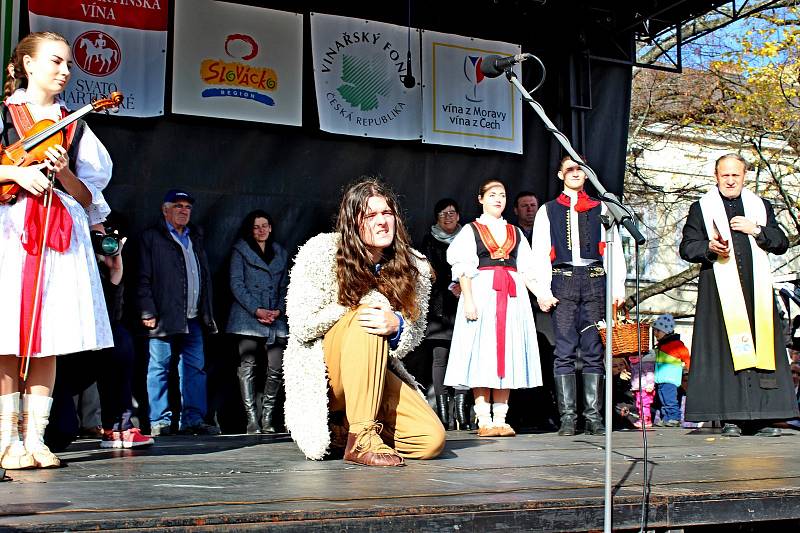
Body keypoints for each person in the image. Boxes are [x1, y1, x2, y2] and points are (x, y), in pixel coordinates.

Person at [0, 32, 114, 469]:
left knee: (47, 339)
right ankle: (7, 439)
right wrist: (15, 171)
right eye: (55, 62)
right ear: (28, 65)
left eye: (68, 64)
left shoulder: (75, 124)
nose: (65, 71)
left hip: (57, 238)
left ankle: (35, 438)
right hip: (11, 232)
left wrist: (65, 174)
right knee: (8, 337)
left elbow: (88, 198)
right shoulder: (6, 115)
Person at [283, 177, 444, 467]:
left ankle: (345, 428)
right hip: (326, 375)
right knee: (369, 314)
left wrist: (396, 326)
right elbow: (301, 325)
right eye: (370, 215)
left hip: (373, 369)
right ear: (352, 222)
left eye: (387, 213)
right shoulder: (321, 252)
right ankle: (362, 436)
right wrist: (353, 308)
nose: (382, 222)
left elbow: (413, 335)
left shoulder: (413, 265)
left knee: (429, 440)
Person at [679, 153, 799, 437]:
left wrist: (756, 229)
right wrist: (709, 247)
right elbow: (687, 248)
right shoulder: (702, 207)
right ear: (716, 176)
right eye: (725, 175)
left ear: (744, 176)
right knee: (726, 354)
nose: (730, 180)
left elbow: (780, 242)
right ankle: (730, 417)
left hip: (756, 293)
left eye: (736, 175)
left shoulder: (760, 206)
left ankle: (760, 417)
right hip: (720, 295)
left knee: (761, 354)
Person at [531, 156, 627, 436]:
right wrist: (542, 290)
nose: (575, 173)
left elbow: (614, 249)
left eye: (579, 170)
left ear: (587, 175)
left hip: (596, 280)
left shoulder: (602, 208)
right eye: (569, 169)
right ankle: (569, 417)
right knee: (564, 350)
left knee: (594, 350)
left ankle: (593, 416)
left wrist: (617, 287)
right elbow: (539, 252)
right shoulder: (548, 210)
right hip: (563, 279)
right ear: (561, 175)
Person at [444, 179, 543, 438]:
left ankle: (501, 417)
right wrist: (468, 300)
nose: (498, 199)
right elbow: (463, 267)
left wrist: (542, 295)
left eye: (502, 195)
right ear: (481, 199)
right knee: (482, 353)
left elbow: (527, 270)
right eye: (492, 195)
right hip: (483, 293)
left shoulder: (515, 232)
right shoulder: (471, 230)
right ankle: (483, 418)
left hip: (512, 297)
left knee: (507, 352)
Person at [138, 189, 220, 436]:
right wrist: (146, 312)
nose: (184, 210)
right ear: (165, 210)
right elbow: (142, 278)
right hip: (163, 317)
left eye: (187, 207)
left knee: (195, 369)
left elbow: (203, 275)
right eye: (178, 206)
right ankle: (159, 421)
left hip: (193, 318)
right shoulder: (151, 238)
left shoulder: (195, 237)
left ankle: (192, 420)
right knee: (159, 368)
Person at [227, 210, 289, 434]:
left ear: (271, 228)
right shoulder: (240, 250)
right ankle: (251, 420)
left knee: (276, 368)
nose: (261, 230)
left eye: (265, 225)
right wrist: (257, 310)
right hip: (247, 317)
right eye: (256, 226)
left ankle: (268, 418)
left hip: (275, 317)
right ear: (250, 230)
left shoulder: (280, 253)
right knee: (248, 367)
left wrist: (278, 309)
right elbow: (236, 284)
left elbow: (285, 286)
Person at [420, 198, 472, 430]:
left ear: (459, 215)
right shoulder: (427, 241)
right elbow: (425, 274)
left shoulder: (469, 237)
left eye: (452, 212)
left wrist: (465, 285)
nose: (448, 216)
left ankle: (462, 412)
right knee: (440, 358)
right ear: (436, 217)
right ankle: (443, 415)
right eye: (443, 213)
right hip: (439, 307)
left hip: (464, 303)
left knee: (464, 356)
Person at [651, 314, 691, 428]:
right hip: (661, 378)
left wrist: (690, 371)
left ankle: (674, 417)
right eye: (654, 330)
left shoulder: (676, 345)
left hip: (670, 378)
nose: (655, 333)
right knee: (663, 399)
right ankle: (666, 417)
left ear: (666, 331)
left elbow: (687, 358)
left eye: (658, 331)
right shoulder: (662, 345)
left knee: (669, 399)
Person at [628, 352, 655, 429]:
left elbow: (650, 375)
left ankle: (645, 420)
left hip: (645, 388)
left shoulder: (645, 363)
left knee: (644, 405)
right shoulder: (634, 364)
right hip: (638, 388)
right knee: (640, 405)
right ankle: (645, 420)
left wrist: (650, 385)